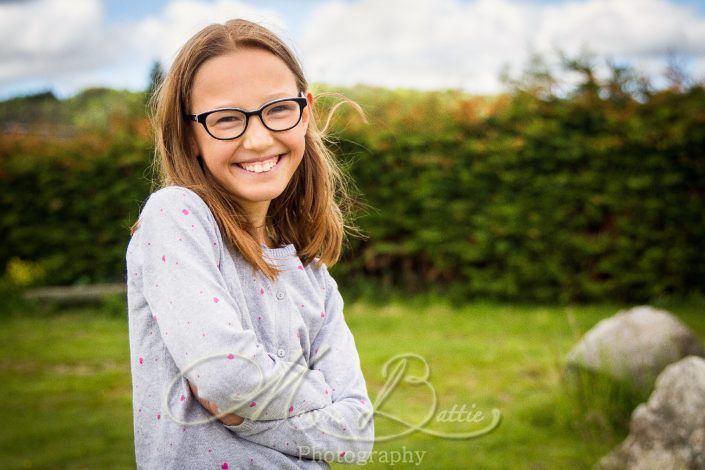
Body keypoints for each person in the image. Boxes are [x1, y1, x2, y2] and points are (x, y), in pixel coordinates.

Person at [125, 18, 374, 469]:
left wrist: (247, 416)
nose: (257, 139)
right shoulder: (175, 217)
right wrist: (320, 395)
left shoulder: (312, 271)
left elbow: (357, 434)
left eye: (278, 109)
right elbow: (226, 377)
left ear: (306, 112)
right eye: (226, 118)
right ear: (189, 135)